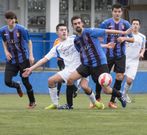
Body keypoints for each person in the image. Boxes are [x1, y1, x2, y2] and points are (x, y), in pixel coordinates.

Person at [22, 23, 104, 110]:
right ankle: (55, 104)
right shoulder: (57, 47)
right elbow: (44, 59)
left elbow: (89, 43)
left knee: (85, 87)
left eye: (65, 29)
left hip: (81, 67)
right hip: (68, 70)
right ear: (57, 32)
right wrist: (31, 68)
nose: (64, 31)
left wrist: (105, 45)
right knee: (51, 81)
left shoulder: (74, 39)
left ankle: (95, 102)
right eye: (61, 30)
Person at [67, 15, 133, 109]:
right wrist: (106, 46)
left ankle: (120, 94)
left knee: (106, 90)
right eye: (75, 24)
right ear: (72, 26)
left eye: (79, 23)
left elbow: (107, 31)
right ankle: (69, 106)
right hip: (86, 64)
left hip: (99, 64)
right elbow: (82, 51)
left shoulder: (90, 32)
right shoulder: (76, 40)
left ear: (82, 24)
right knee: (70, 79)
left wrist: (123, 32)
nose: (77, 25)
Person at [99, 4, 134, 109]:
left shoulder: (126, 24)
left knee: (120, 77)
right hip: (107, 55)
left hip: (120, 55)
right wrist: (104, 45)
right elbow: (99, 36)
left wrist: (124, 39)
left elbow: (132, 39)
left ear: (121, 12)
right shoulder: (106, 23)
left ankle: (112, 101)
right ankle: (97, 100)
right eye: (115, 11)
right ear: (112, 12)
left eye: (119, 11)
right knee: (102, 78)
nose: (117, 13)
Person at [0, 11, 36, 108]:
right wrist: (6, 52)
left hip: (23, 60)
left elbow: (29, 42)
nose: (12, 20)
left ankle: (32, 102)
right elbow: (4, 41)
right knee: (7, 81)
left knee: (26, 81)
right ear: (6, 20)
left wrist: (31, 56)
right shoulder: (3, 30)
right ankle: (17, 86)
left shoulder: (21, 29)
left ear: (15, 19)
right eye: (10, 19)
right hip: (11, 60)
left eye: (13, 18)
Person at [122, 19, 146, 103]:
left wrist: (142, 53)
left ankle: (124, 94)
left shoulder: (142, 37)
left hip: (134, 61)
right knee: (120, 78)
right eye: (134, 24)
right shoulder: (127, 35)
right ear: (131, 25)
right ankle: (114, 98)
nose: (135, 25)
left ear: (139, 26)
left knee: (129, 80)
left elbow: (143, 48)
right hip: (124, 60)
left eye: (137, 24)